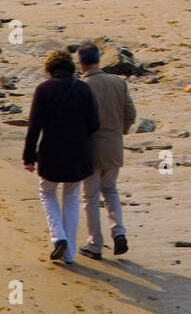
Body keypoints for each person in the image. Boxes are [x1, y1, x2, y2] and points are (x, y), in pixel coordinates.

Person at [23, 48, 99, 264]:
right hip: (79, 153)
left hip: (51, 152)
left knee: (47, 192)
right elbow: (94, 123)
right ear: (71, 67)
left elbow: (34, 127)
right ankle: (69, 253)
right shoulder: (83, 89)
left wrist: (28, 157)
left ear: (50, 68)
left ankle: (58, 237)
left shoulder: (43, 89)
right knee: (72, 198)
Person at [75, 41, 136, 259]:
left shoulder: (81, 86)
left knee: (90, 196)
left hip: (91, 148)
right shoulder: (117, 82)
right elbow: (130, 113)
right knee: (110, 190)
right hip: (114, 145)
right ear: (98, 60)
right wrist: (120, 131)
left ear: (81, 63)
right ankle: (118, 231)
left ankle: (95, 244)